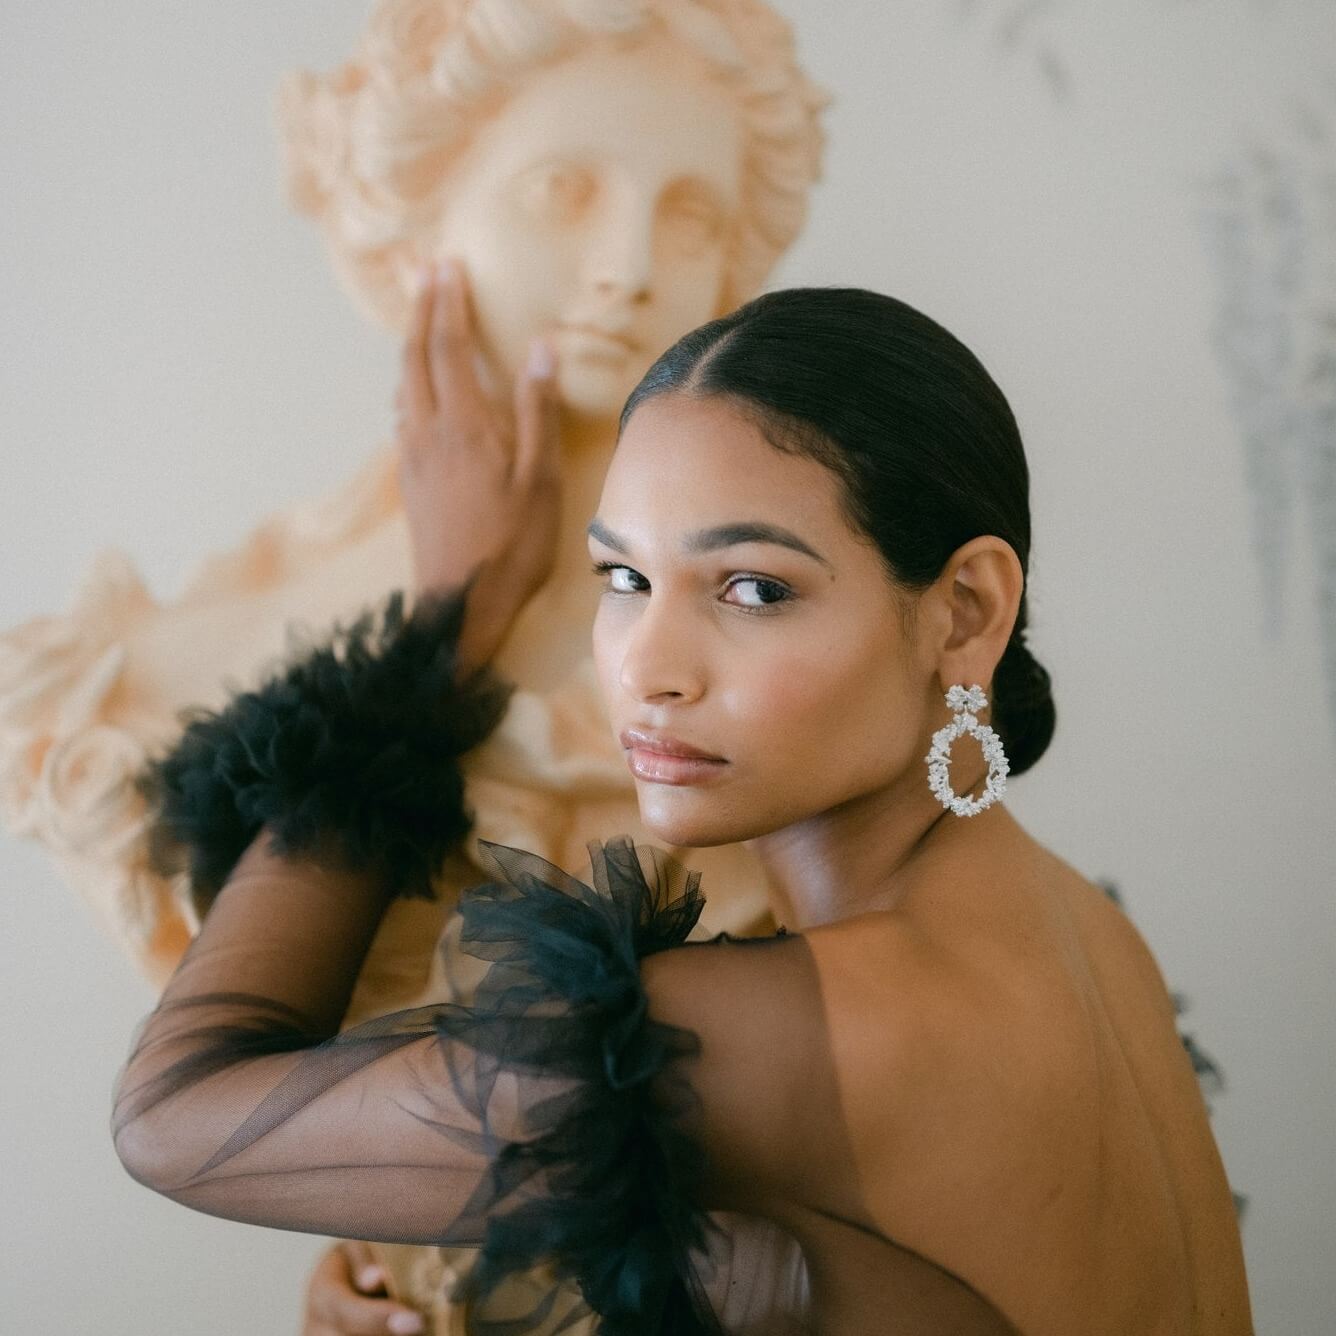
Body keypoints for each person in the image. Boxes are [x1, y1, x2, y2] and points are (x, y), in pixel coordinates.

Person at [112, 286, 1253, 1333]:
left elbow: (174, 1119)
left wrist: (447, 624)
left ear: (964, 611)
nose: (650, 668)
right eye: (623, 580)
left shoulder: (781, 1038)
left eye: (752, 588)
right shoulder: (1083, 936)